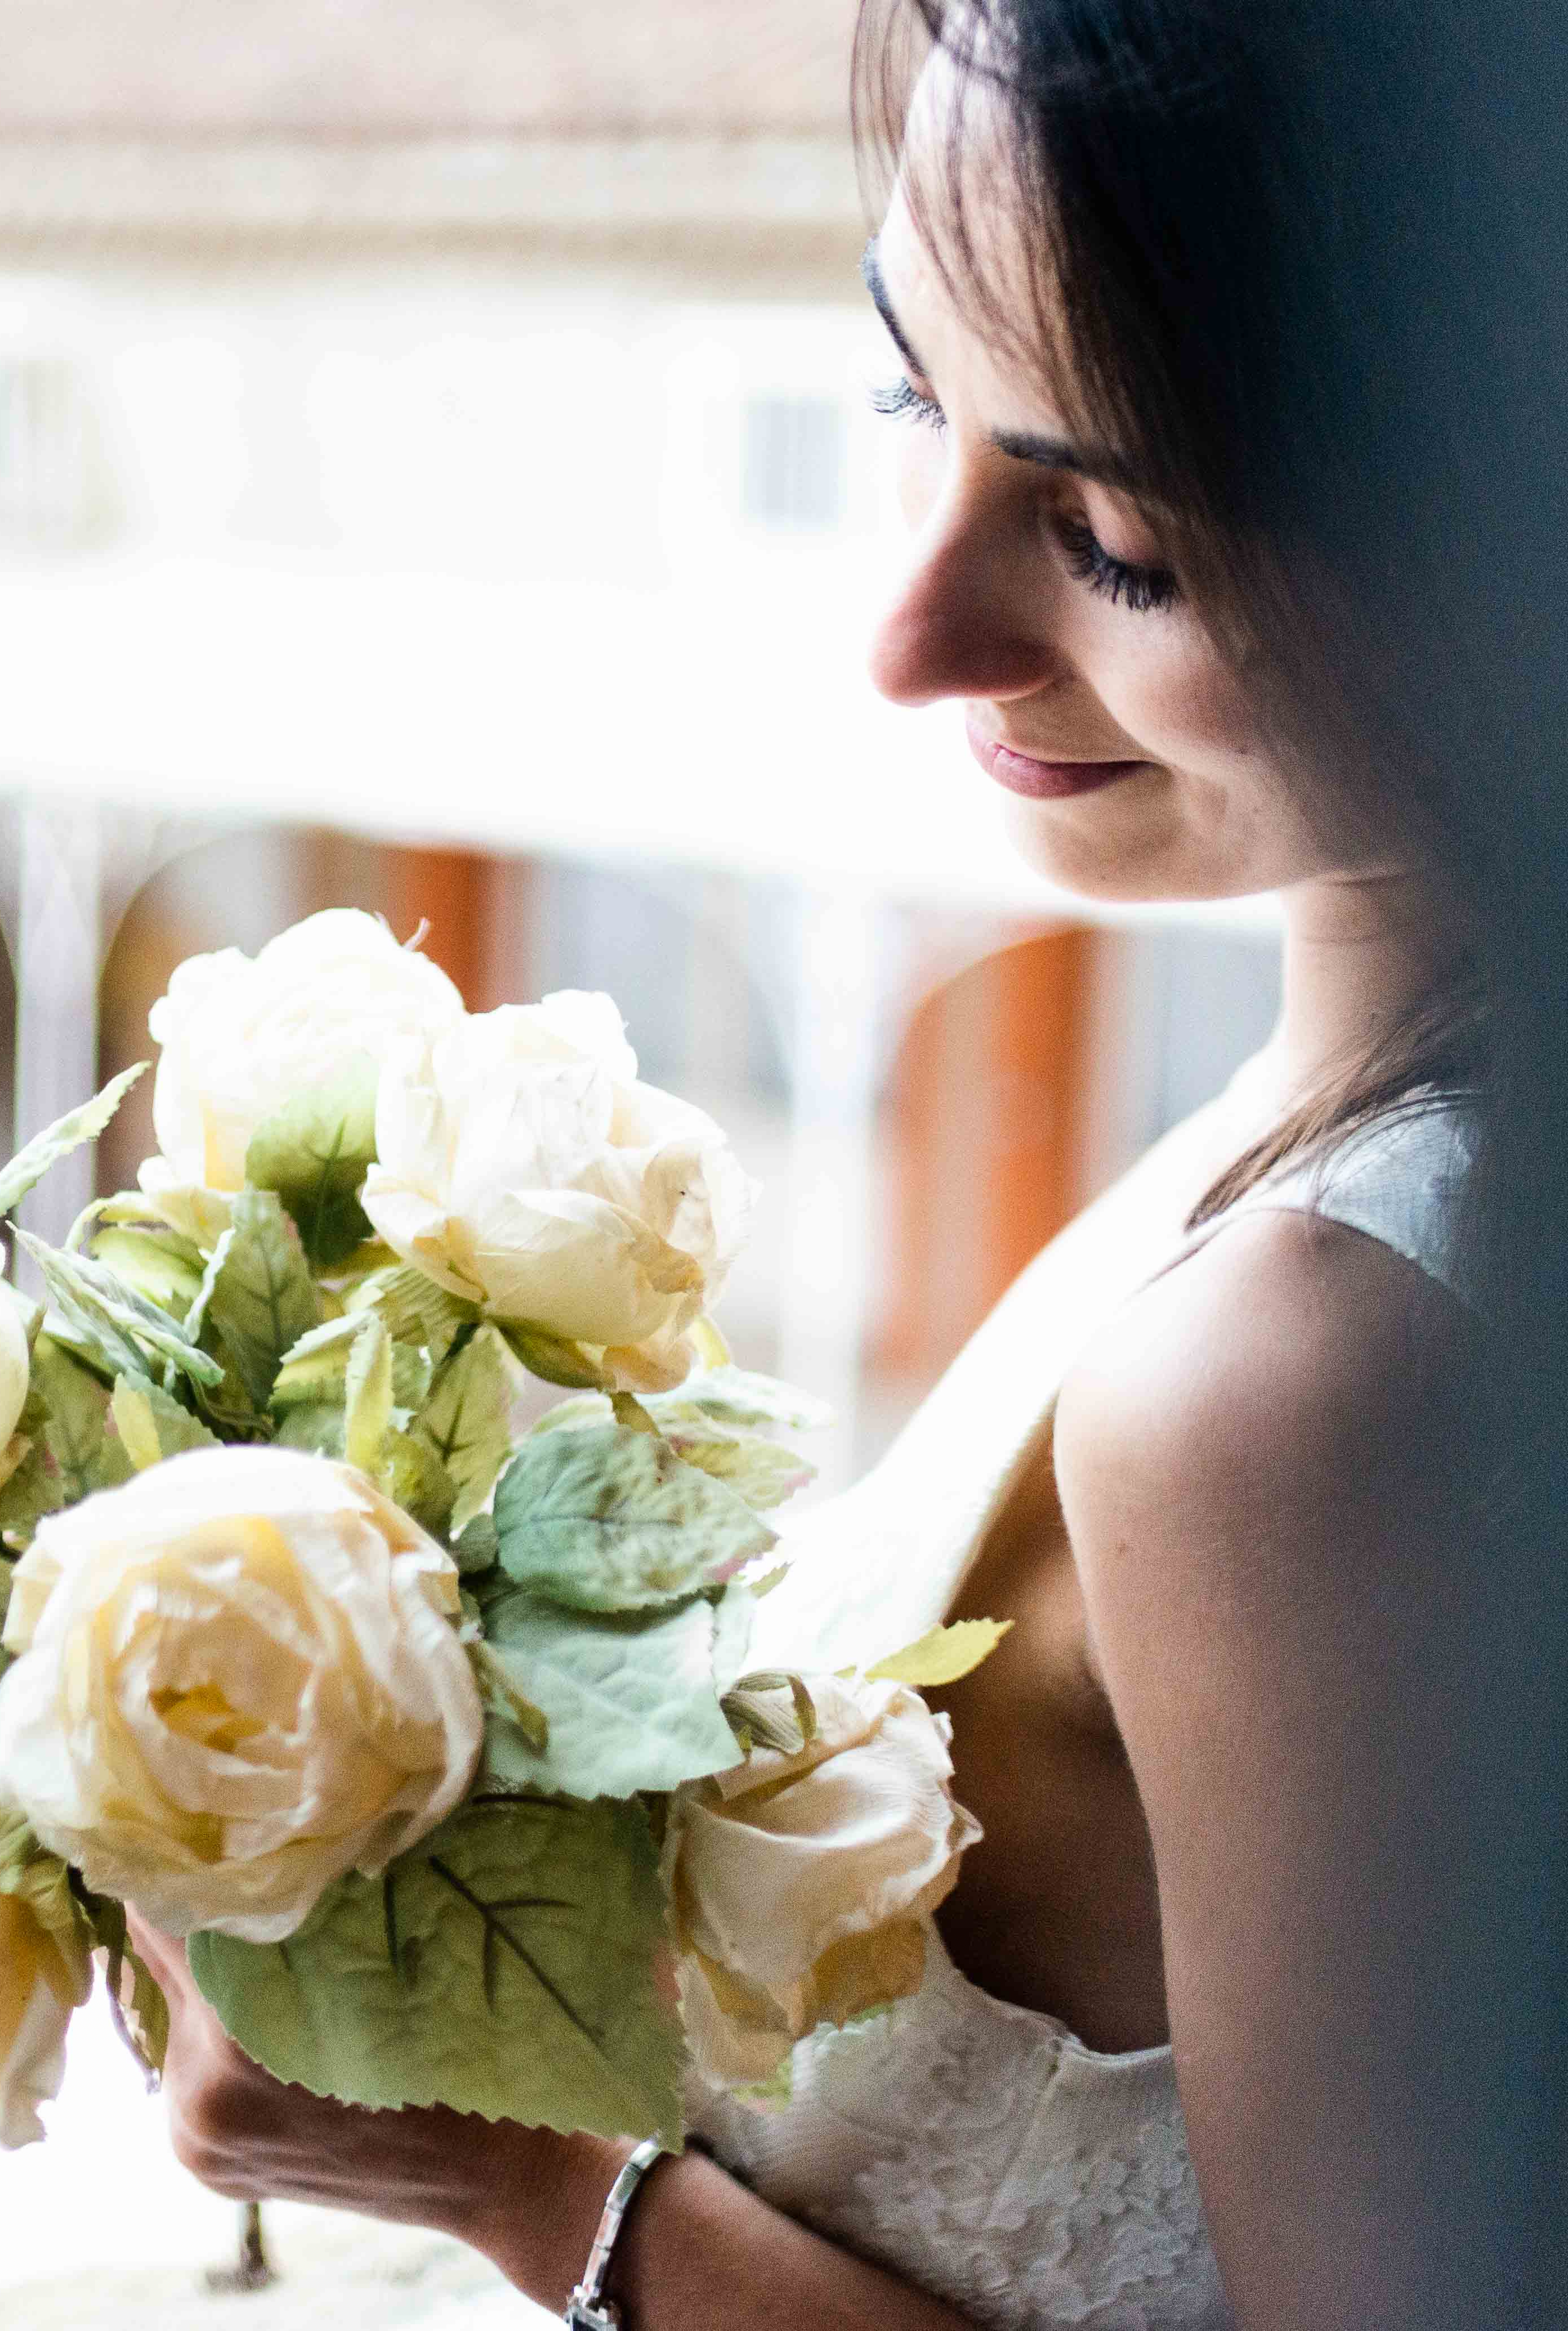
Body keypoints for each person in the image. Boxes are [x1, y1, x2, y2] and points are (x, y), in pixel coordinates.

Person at [114, 4, 1486, 2324]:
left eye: (1114, 538)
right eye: (901, 396)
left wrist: (529, 2184)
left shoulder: (1305, 1380)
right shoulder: (1455, 1146)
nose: (907, 633)